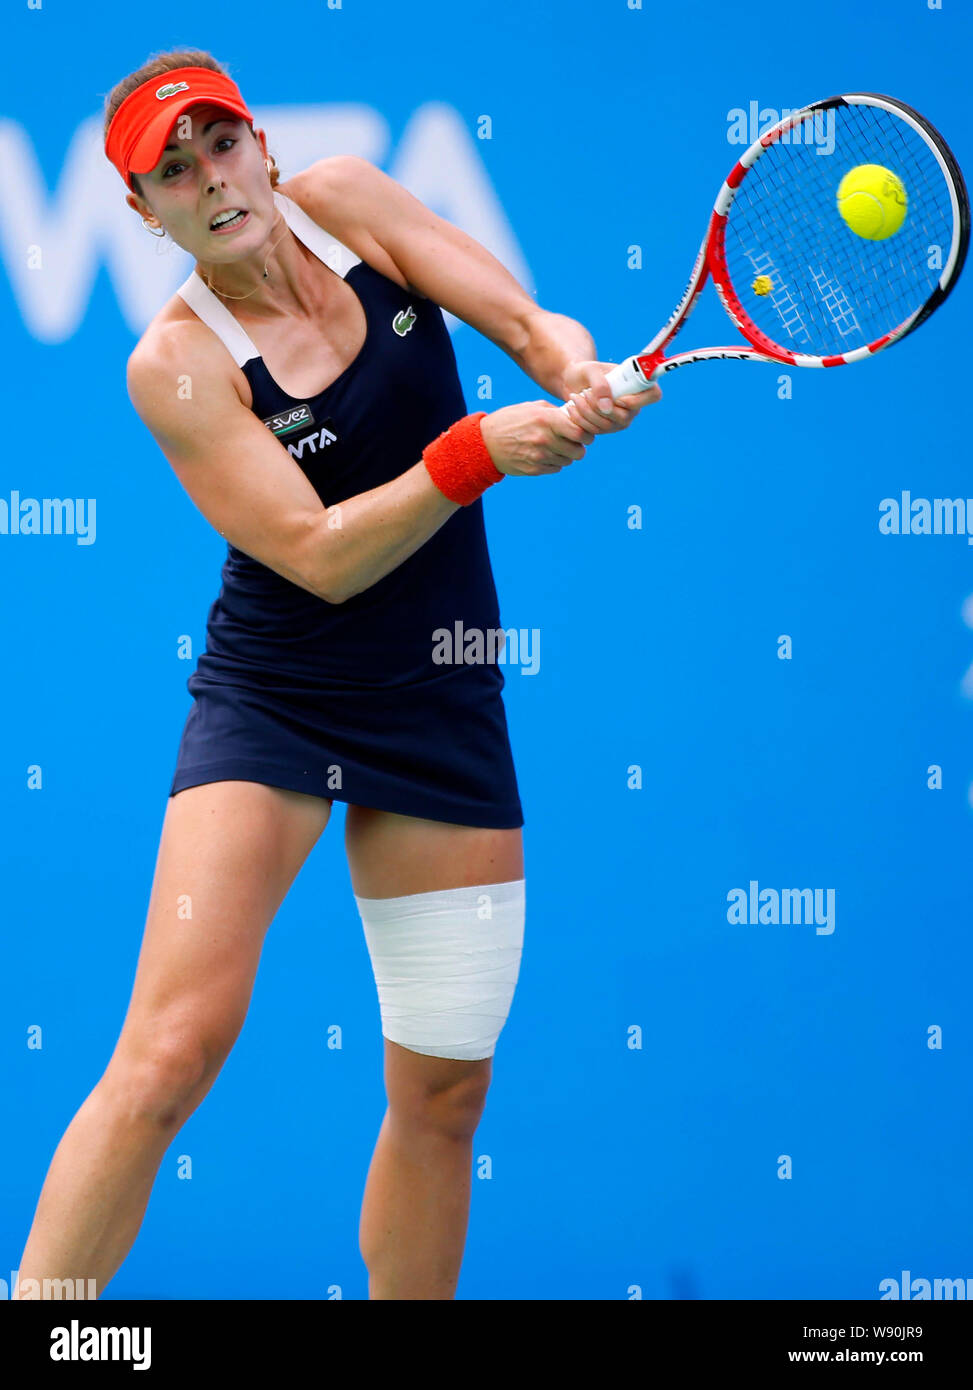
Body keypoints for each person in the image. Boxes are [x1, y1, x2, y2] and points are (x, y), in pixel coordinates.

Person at [13, 48, 661, 1302]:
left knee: (442, 1087)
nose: (211, 178)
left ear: (259, 142)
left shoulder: (354, 200)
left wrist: (571, 370)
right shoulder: (177, 366)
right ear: (145, 214)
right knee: (171, 1049)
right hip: (277, 699)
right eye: (173, 170)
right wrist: (474, 451)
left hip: (439, 696)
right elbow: (316, 555)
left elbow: (526, 322)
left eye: (219, 144)